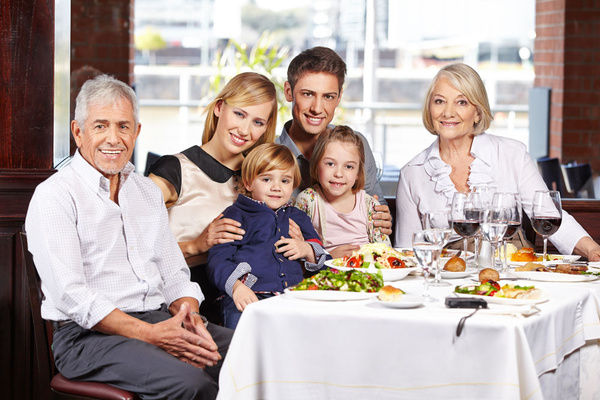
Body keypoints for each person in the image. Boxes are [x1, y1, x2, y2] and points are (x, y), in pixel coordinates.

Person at [25, 75, 233, 399]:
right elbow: (71, 296)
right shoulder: (54, 196)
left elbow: (175, 274)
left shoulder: (146, 191)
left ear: (136, 132)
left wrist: (188, 319)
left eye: (123, 126)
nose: (113, 138)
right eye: (100, 126)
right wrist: (152, 335)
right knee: (193, 385)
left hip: (160, 320)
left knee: (250, 355)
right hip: (87, 338)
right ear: (78, 132)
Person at [394, 62, 600, 261]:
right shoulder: (412, 173)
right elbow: (407, 251)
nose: (448, 112)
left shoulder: (512, 154)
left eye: (461, 102)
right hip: (449, 276)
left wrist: (592, 250)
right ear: (429, 108)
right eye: (439, 101)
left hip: (515, 270)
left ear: (477, 112)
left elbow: (548, 216)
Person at [148, 72, 278, 323]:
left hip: (247, 303)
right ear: (219, 108)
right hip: (184, 304)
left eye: (257, 122)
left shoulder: (261, 178)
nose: (245, 129)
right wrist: (196, 245)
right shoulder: (174, 169)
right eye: (239, 114)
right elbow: (132, 248)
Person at [275, 46, 393, 241]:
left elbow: (377, 209)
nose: (317, 108)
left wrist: (383, 219)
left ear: (339, 97)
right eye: (308, 94)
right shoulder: (268, 155)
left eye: (328, 96)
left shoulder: (357, 145)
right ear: (289, 92)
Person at [207, 143, 329, 329]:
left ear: (294, 185)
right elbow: (217, 260)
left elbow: (326, 261)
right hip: (248, 294)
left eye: (285, 181)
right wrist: (237, 287)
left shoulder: (297, 217)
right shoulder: (236, 215)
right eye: (266, 179)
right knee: (241, 334)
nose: (276, 187)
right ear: (248, 183)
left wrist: (307, 249)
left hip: (293, 296)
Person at [295, 125, 391, 258]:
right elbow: (298, 249)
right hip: (326, 274)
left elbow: (386, 253)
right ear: (317, 165)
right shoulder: (308, 200)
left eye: (349, 166)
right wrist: (328, 257)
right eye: (330, 164)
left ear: (358, 172)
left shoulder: (369, 204)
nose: (339, 173)